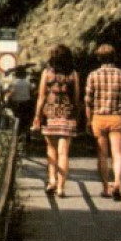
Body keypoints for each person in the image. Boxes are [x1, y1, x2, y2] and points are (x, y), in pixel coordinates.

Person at [84, 43, 121, 201]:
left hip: (99, 118)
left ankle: (105, 188)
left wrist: (88, 121)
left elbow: (88, 102)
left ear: (99, 58)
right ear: (114, 57)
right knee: (118, 153)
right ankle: (118, 185)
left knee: (102, 154)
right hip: (117, 117)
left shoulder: (92, 76)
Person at [32, 45, 81, 196]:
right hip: (67, 116)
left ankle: (52, 180)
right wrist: (77, 117)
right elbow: (77, 99)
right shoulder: (73, 74)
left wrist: (37, 117)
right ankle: (60, 187)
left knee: (51, 150)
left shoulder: (47, 74)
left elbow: (41, 97)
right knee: (63, 153)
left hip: (50, 116)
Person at [6, 66, 37, 141]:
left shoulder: (13, 83)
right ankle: (27, 133)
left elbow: (9, 93)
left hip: (16, 105)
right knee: (27, 120)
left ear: (16, 74)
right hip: (26, 104)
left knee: (17, 119)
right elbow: (32, 91)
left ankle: (17, 135)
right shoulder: (27, 82)